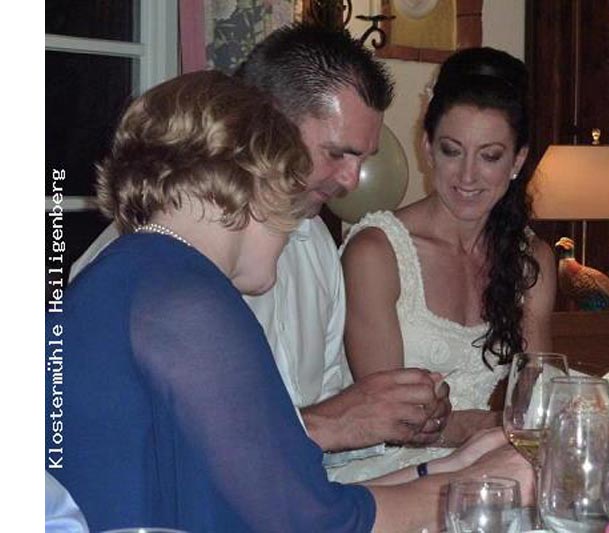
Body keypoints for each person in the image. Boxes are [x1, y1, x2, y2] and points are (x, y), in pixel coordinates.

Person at [46, 70, 532, 532]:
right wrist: (489, 482)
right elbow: (315, 525)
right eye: (291, 191)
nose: (295, 221)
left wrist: (451, 468)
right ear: (257, 181)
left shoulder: (139, 273)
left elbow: (286, 500)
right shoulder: (187, 301)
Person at [68, 22, 450, 453]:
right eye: (336, 153)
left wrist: (399, 426)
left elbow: (327, 448)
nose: (351, 180)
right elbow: (138, 451)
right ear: (266, 126)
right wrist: (332, 423)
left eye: (363, 159)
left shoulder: (316, 246)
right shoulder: (143, 256)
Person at [334, 47, 557, 482]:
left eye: (490, 156)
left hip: (486, 468)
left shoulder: (531, 261)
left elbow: (536, 394)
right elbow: (391, 420)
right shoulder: (377, 252)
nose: (467, 176)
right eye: (452, 151)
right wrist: (492, 428)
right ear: (427, 148)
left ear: (517, 161)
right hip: (385, 473)